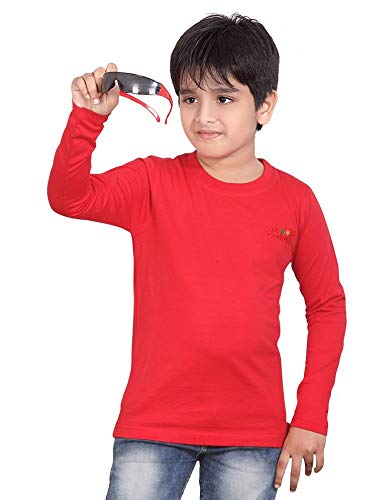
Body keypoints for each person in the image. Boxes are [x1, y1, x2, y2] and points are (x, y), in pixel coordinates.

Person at [47, 12, 347, 500]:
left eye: (224, 99)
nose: (203, 116)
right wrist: (88, 119)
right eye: (190, 98)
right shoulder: (153, 181)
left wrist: (311, 415)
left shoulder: (296, 201)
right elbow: (70, 198)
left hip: (252, 433)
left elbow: (328, 305)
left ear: (265, 106)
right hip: (153, 423)